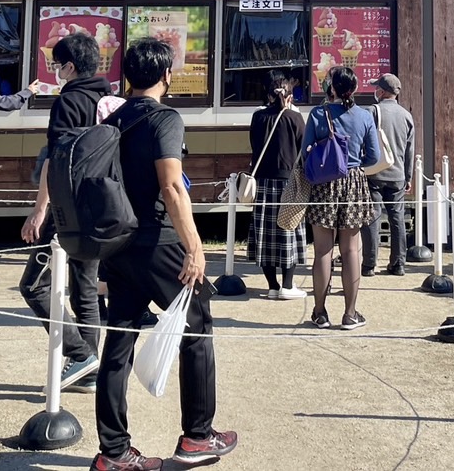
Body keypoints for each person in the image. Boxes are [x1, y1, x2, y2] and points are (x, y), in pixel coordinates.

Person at [89, 37, 237, 471]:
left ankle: (113, 452)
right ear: (167, 75)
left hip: (119, 243)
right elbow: (172, 187)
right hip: (159, 241)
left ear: (128, 76)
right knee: (198, 329)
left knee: (119, 342)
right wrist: (194, 246)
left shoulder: (114, 119)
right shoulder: (164, 118)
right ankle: (197, 435)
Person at [19, 31, 110, 391]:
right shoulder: (108, 98)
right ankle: (88, 370)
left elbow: (56, 160)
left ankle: (80, 355)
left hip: (65, 209)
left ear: (70, 66)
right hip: (101, 206)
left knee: (33, 286)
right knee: (86, 289)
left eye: (57, 65)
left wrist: (39, 210)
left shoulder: (68, 101)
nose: (56, 71)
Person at [304, 66, 381, 331]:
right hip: (355, 182)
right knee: (351, 251)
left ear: (332, 88)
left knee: (322, 251)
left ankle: (320, 312)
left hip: (324, 183)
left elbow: (305, 154)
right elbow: (374, 156)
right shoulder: (365, 115)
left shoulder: (317, 114)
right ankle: (349, 314)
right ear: (355, 88)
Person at [246, 70, 307, 299]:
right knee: (288, 231)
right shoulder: (295, 118)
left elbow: (253, 144)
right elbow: (304, 148)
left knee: (265, 235)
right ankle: (288, 286)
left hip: (262, 180)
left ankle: (272, 286)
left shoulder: (258, 117)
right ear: (289, 96)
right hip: (289, 181)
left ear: (269, 95)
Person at [362, 73, 416, 277]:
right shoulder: (406, 115)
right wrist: (408, 177)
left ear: (382, 92)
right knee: (397, 219)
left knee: (372, 218)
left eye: (377, 88)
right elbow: (410, 150)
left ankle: (369, 264)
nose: (375, 91)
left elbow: (364, 142)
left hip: (374, 173)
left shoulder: (372, 111)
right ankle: (398, 264)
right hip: (398, 175)